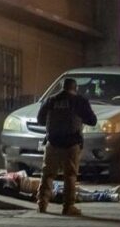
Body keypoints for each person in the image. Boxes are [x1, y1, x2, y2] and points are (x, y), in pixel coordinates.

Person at [36, 78, 97, 215]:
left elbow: (40, 119)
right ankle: (68, 206)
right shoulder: (79, 101)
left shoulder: (51, 100)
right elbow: (92, 121)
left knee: (47, 174)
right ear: (75, 88)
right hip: (71, 144)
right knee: (69, 175)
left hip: (52, 143)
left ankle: (42, 204)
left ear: (62, 87)